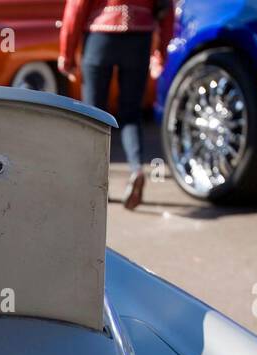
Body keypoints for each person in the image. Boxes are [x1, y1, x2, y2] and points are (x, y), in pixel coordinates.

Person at [59, 0, 174, 211]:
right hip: (139, 37)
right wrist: (161, 51)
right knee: (131, 113)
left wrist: (67, 53)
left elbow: (77, 6)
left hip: (99, 37)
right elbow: (167, 7)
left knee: (94, 116)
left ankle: (96, 183)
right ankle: (137, 169)